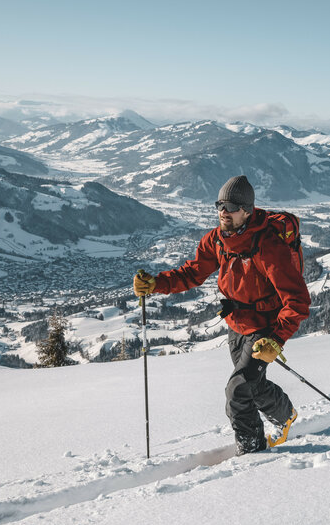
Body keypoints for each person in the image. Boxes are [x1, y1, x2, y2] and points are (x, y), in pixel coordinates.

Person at [133, 175, 311, 455]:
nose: (223, 212)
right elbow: (192, 273)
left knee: (237, 392)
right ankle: (284, 414)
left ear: (247, 210)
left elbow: (297, 300)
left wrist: (276, 339)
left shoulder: (268, 246)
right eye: (220, 205)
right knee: (251, 385)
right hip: (236, 325)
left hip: (264, 329)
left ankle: (251, 451)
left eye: (231, 206)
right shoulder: (216, 240)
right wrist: (157, 283)